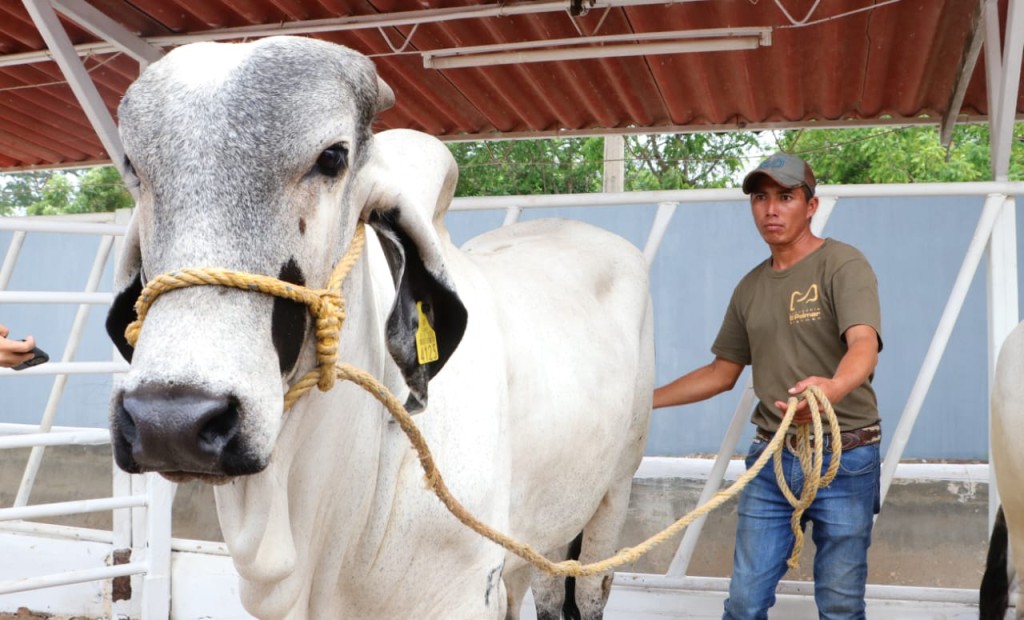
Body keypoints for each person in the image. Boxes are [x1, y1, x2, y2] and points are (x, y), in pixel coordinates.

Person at [653, 152, 883, 620]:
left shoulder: (843, 263)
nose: (771, 209)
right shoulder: (750, 287)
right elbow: (721, 373)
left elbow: (864, 344)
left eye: (785, 197)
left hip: (847, 456)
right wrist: (639, 403)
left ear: (811, 205)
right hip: (772, 456)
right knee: (743, 602)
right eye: (760, 198)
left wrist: (832, 389)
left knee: (840, 603)